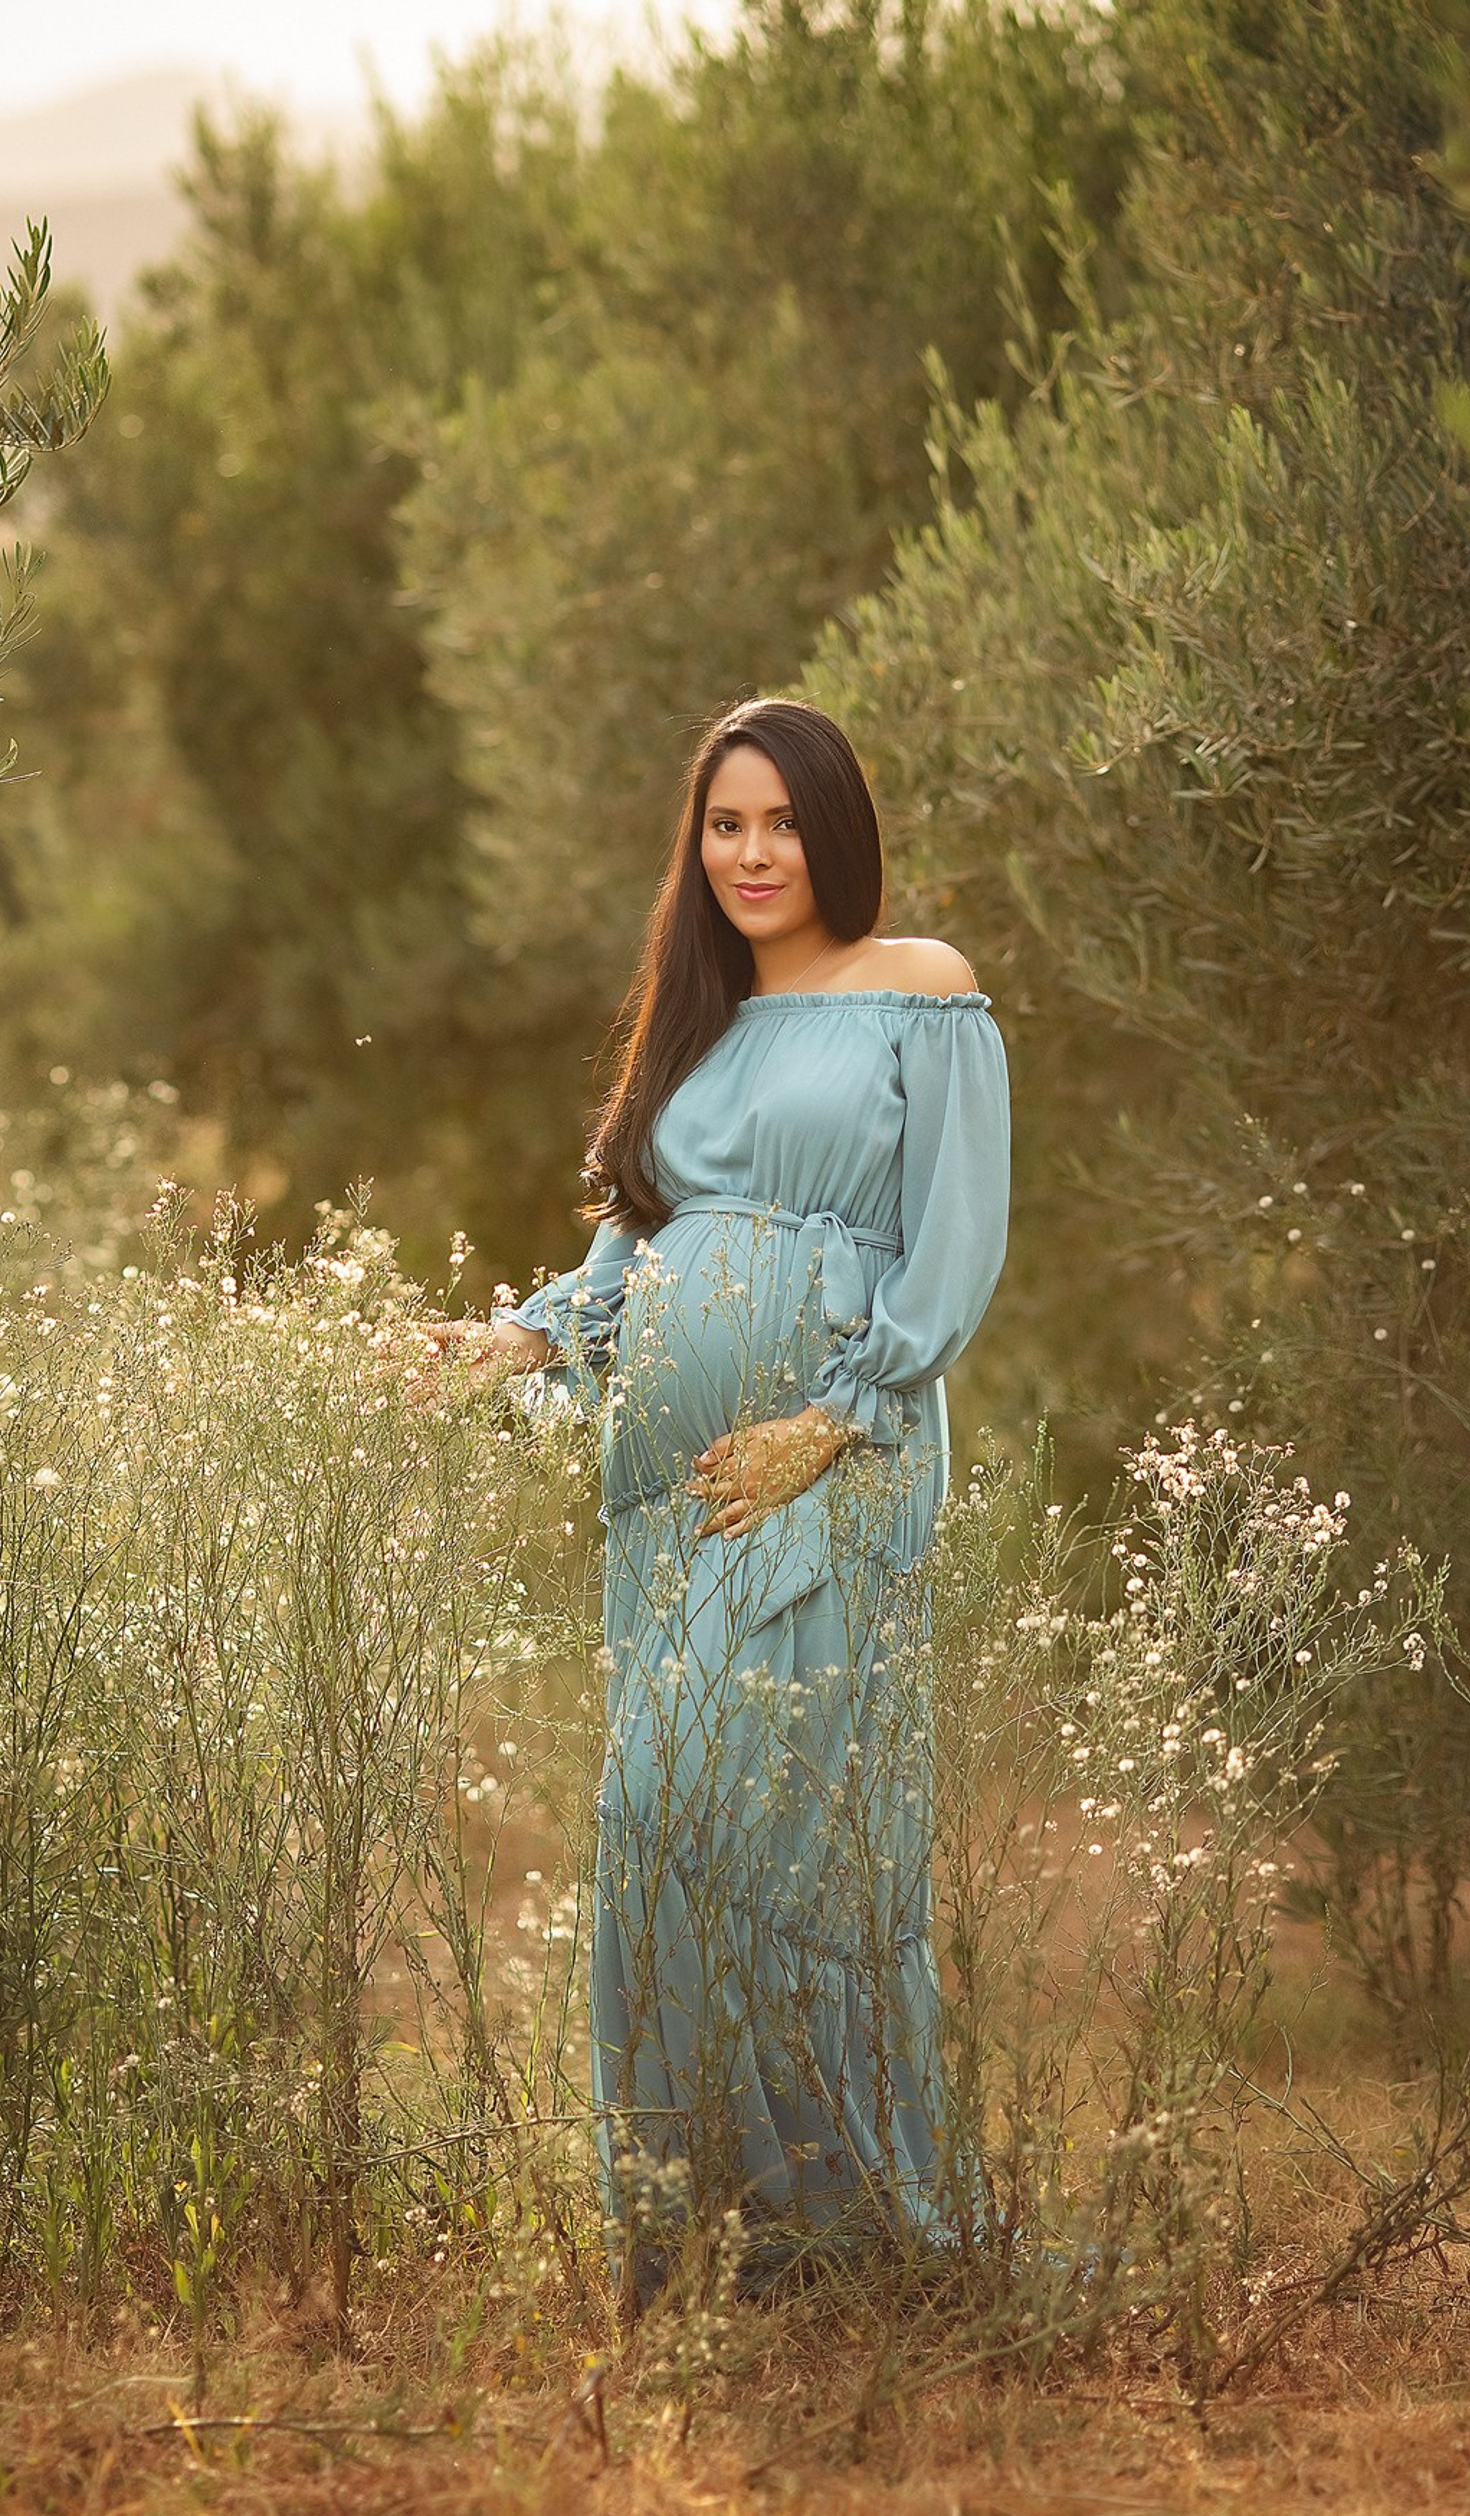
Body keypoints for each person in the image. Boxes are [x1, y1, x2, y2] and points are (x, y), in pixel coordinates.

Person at [425, 698, 1009, 2301]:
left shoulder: (923, 993)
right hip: (670, 1495)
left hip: (838, 1457)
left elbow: (957, 1238)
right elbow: (628, 1255)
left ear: (838, 828)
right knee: (654, 1825)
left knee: (785, 1838)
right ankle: (697, 2239)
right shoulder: (697, 1018)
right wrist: (521, 1334)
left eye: (785, 822)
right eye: (725, 825)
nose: (754, 854)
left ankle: (846, 2243)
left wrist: (835, 1421)